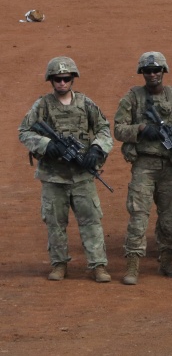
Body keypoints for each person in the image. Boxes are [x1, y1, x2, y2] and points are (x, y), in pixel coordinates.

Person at [18, 57, 113, 283]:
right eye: (57, 79)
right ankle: (59, 263)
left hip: (82, 176)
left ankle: (98, 265)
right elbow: (24, 131)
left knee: (91, 221)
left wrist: (96, 150)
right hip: (54, 176)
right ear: (51, 80)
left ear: (73, 79)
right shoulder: (42, 106)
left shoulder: (86, 104)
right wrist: (46, 145)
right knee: (55, 222)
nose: (62, 83)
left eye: (66, 78)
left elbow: (103, 129)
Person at [114, 51, 172, 285]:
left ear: (164, 72)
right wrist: (140, 130)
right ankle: (133, 265)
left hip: (170, 165)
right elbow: (118, 129)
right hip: (144, 164)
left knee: (169, 218)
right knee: (138, 215)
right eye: (148, 71)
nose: (153, 74)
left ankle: (167, 261)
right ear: (142, 73)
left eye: (157, 70)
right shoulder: (133, 98)